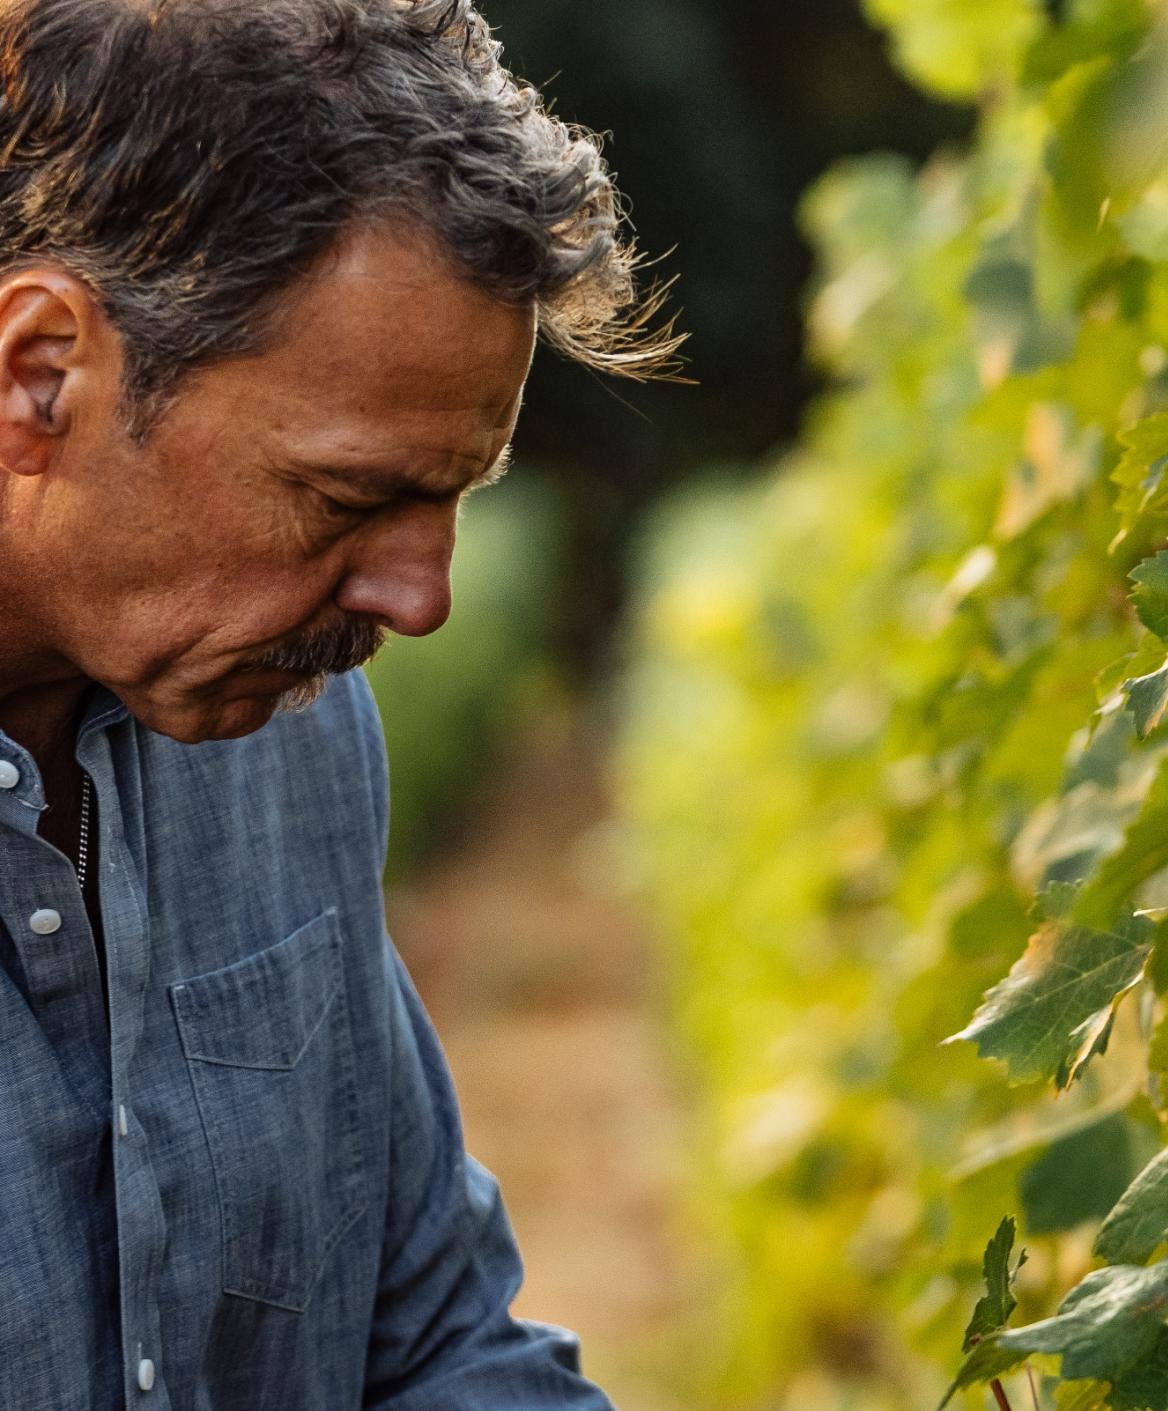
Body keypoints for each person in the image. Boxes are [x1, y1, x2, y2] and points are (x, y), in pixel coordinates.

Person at [0, 0, 680, 1405]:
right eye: (350, 498)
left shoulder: (284, 734)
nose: (420, 599)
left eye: (450, 504)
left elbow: (429, 1338)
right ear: (40, 372)